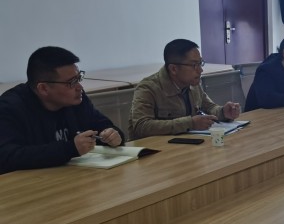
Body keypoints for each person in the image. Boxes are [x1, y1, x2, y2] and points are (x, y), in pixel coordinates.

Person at [0, 46, 124, 174]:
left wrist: (111, 135)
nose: (79, 87)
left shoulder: (76, 100)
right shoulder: (10, 108)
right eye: (71, 82)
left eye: (79, 78)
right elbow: (6, 157)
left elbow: (101, 125)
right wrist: (70, 149)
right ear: (43, 89)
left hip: (71, 176)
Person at [128, 39, 240, 140]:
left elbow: (209, 107)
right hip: (154, 150)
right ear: (173, 69)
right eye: (194, 65)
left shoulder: (193, 84)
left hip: (184, 146)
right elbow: (141, 126)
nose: (200, 70)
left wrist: (223, 112)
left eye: (200, 63)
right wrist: (190, 123)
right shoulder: (148, 88)